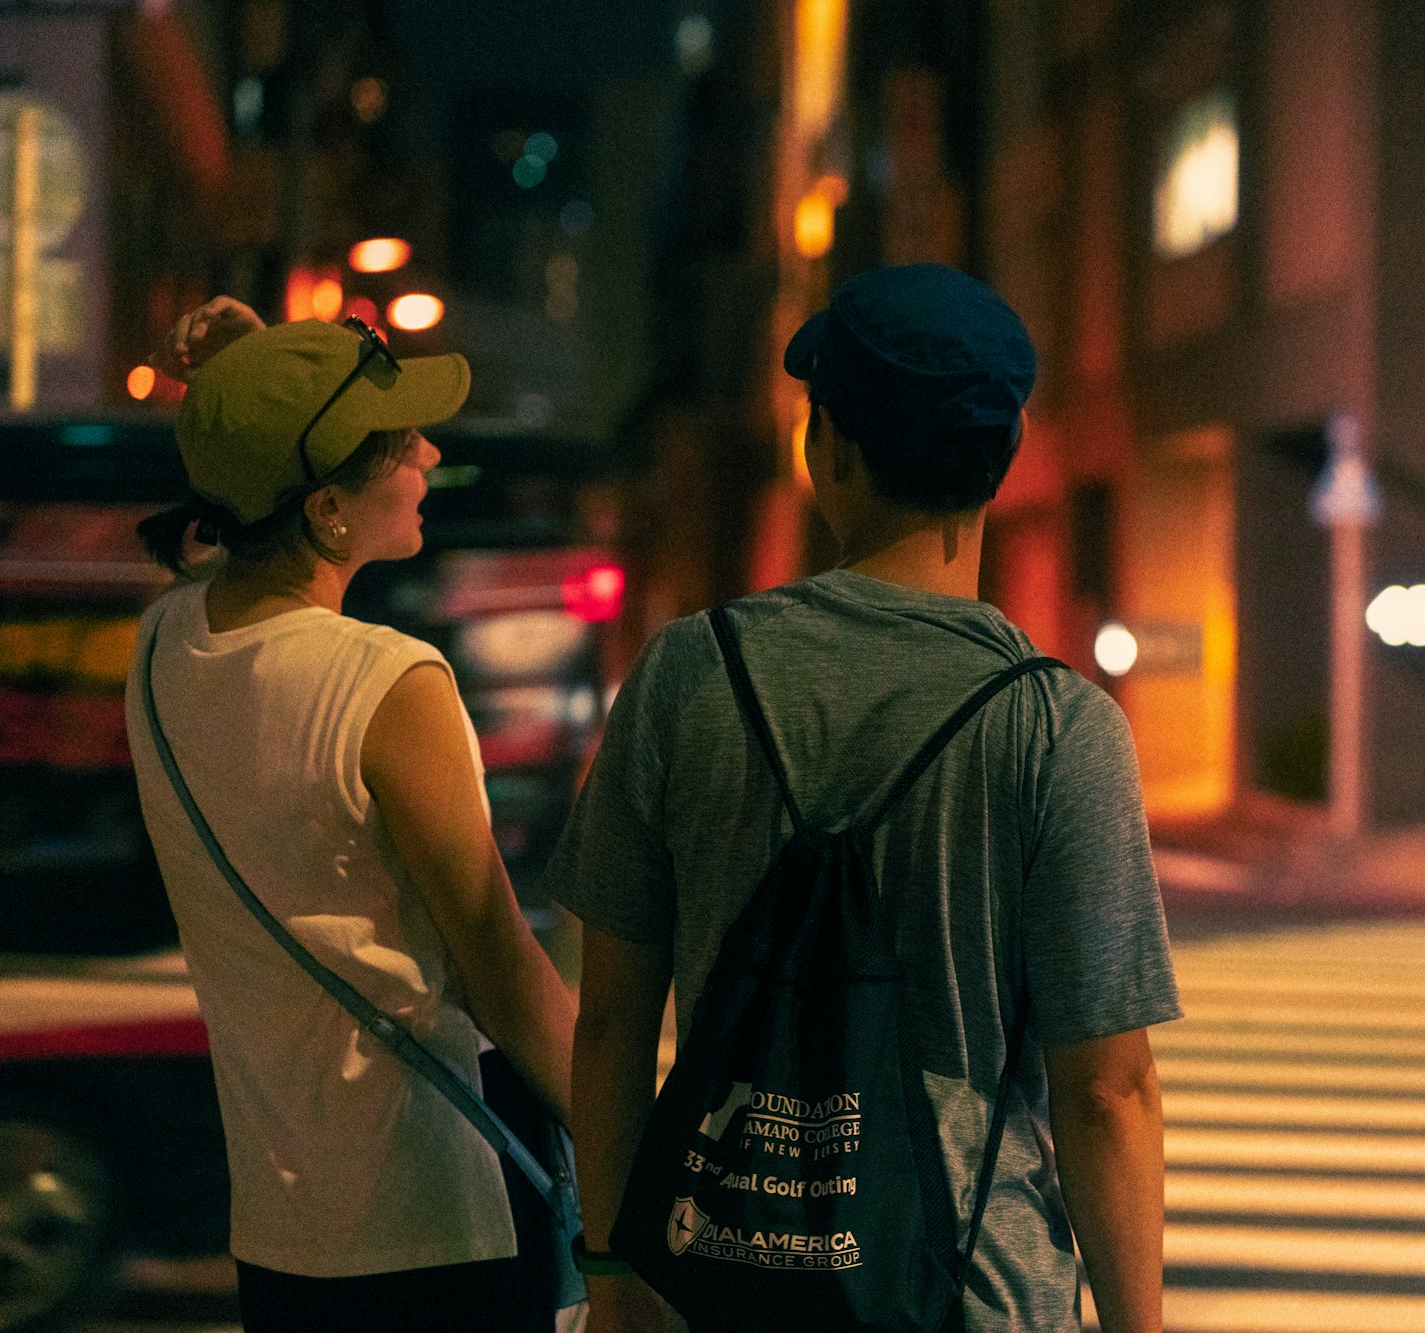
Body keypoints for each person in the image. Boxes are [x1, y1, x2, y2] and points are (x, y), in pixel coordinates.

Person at [546, 263, 1180, 1333]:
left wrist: (613, 1283)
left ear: (826, 449)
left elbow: (611, 1020)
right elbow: (1107, 1091)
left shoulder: (687, 675)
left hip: (724, 1279)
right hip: (969, 1296)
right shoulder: (1058, 728)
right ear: (1001, 455)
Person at [124, 297, 578, 1333]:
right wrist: (634, 1148)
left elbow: (246, 501)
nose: (427, 449)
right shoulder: (384, 683)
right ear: (329, 509)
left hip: (285, 1227)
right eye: (400, 439)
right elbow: (499, 968)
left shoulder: (162, 648)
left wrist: (250, 377)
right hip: (439, 1214)